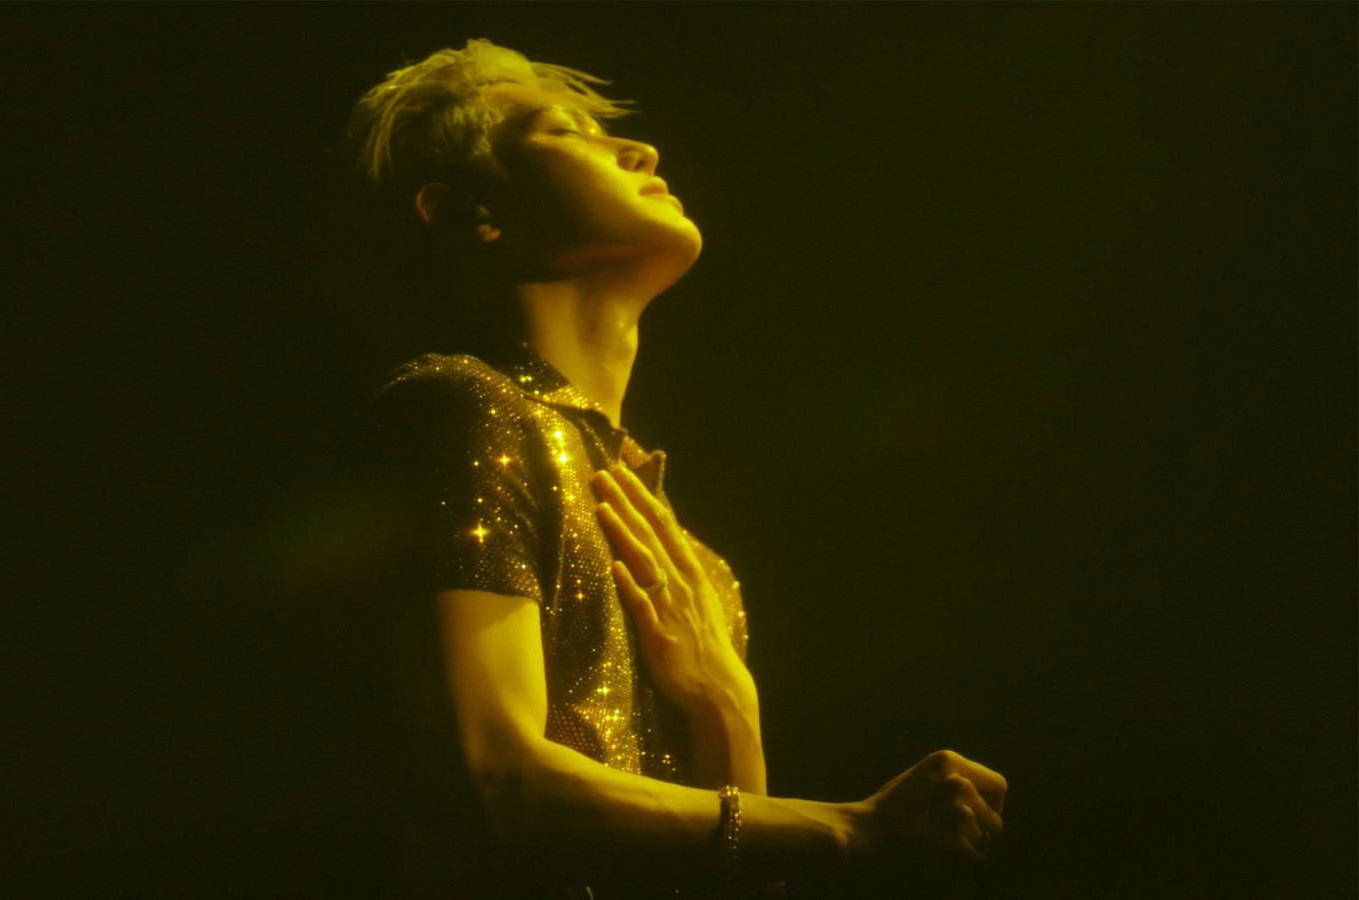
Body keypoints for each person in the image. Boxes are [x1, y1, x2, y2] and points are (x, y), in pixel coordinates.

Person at [346, 39, 1006, 898]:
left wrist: (730, 707)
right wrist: (852, 828)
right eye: (566, 131)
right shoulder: (469, 407)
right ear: (471, 210)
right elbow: (497, 779)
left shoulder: (699, 573)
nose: (642, 150)